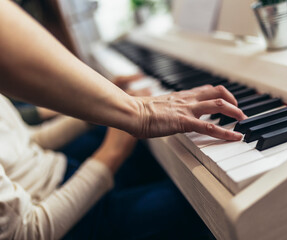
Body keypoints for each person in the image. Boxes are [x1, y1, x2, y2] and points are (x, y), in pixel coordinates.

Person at [0, 1, 247, 239]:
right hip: (61, 221)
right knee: (207, 207)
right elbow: (25, 232)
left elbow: (23, 142)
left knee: (161, 160)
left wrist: (98, 108)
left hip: (55, 168)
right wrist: (114, 148)